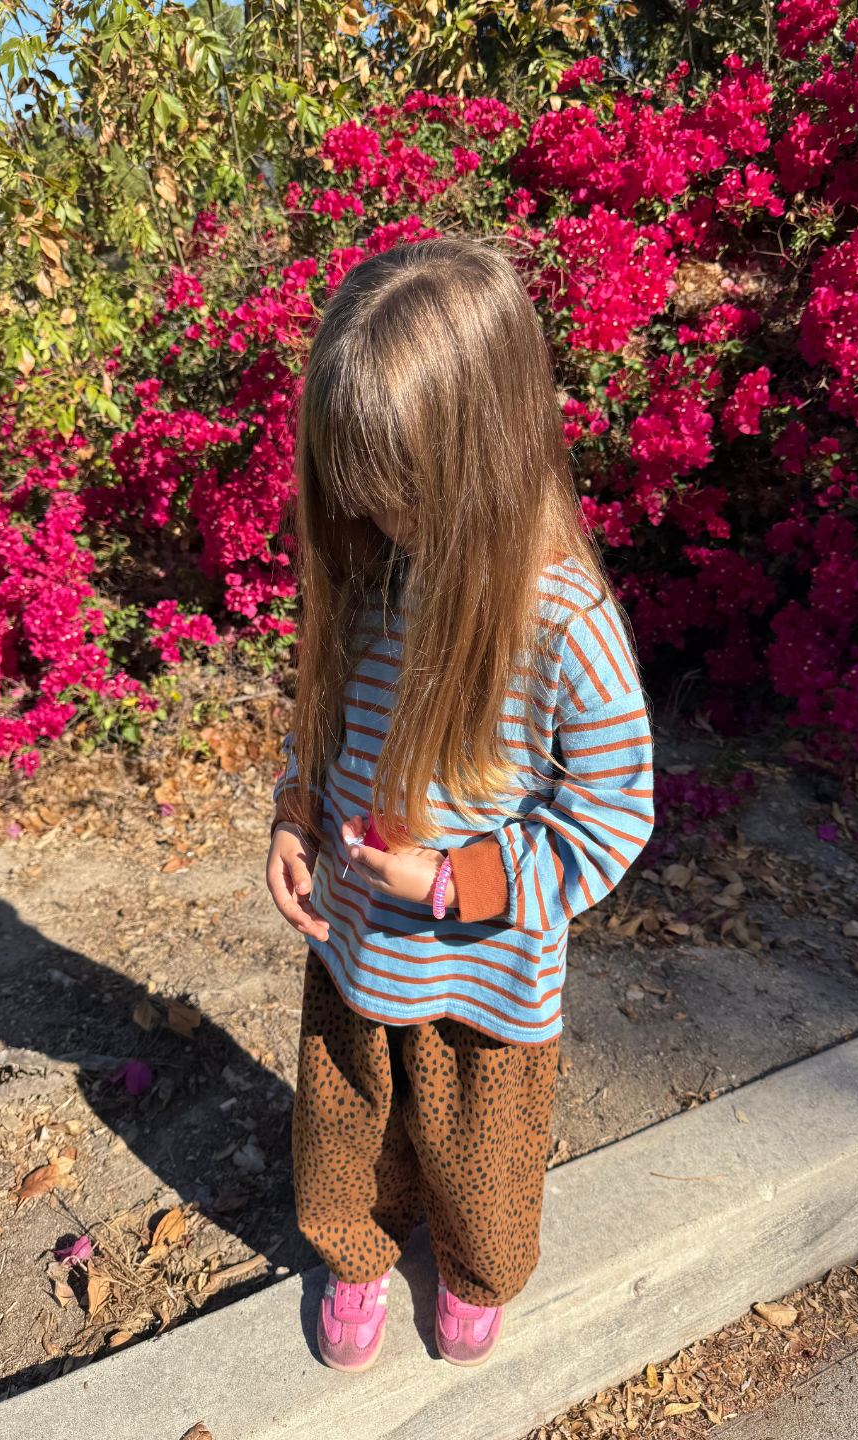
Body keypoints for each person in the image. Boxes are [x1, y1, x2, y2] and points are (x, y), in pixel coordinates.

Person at [266, 237, 653, 1373]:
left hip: (485, 976)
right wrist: (295, 815)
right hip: (354, 945)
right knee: (347, 1129)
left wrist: (453, 881)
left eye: (399, 490)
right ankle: (355, 1254)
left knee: (480, 1148)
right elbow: (325, 713)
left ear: (485, 451)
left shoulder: (564, 622)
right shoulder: (378, 572)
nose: (376, 515)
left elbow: (612, 815)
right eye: (357, 486)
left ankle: (477, 1272)